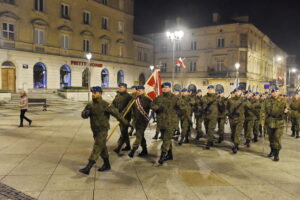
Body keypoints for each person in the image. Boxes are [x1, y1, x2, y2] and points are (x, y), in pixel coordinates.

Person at [79, 86, 130, 174]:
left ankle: (88, 167)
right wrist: (85, 114)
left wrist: (126, 123)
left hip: (103, 130)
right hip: (94, 129)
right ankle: (107, 164)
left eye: (95, 93)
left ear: (100, 93)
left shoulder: (105, 104)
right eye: (92, 93)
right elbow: (83, 114)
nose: (93, 94)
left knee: (97, 146)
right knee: (102, 147)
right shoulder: (90, 104)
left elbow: (117, 114)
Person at [151, 82, 185, 164]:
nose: (164, 88)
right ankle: (170, 154)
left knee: (166, 139)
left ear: (170, 88)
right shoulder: (159, 98)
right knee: (165, 139)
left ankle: (163, 155)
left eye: (166, 87)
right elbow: (152, 104)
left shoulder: (175, 98)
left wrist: (176, 115)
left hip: (171, 123)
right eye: (163, 87)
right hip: (161, 122)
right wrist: (156, 108)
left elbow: (183, 108)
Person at [261, 87, 289, 161]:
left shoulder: (283, 101)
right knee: (271, 138)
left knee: (277, 137)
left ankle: (277, 154)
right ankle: (272, 151)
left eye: (276, 91)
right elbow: (263, 111)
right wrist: (262, 121)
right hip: (270, 121)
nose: (275, 93)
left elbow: (288, 111)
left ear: (278, 92)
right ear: (271, 92)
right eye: (273, 91)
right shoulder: (267, 101)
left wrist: (286, 112)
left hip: (279, 122)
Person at [128, 86, 152, 158]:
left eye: (140, 90)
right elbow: (128, 108)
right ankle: (145, 150)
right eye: (137, 90)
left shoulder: (147, 99)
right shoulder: (134, 99)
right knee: (141, 135)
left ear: (143, 91)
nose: (138, 92)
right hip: (136, 120)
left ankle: (133, 150)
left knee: (138, 135)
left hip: (143, 121)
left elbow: (153, 106)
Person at [112, 83, 133, 154]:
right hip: (119, 116)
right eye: (119, 87)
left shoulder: (129, 96)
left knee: (123, 131)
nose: (120, 88)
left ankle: (118, 147)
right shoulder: (117, 96)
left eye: (121, 87)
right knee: (124, 132)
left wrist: (123, 113)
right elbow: (113, 104)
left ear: (125, 88)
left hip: (126, 117)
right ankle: (128, 146)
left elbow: (129, 107)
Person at [202, 85, 220, 149]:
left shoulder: (218, 97)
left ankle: (208, 143)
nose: (210, 90)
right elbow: (203, 104)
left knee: (210, 129)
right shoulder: (204, 97)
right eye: (209, 89)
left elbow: (221, 106)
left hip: (213, 116)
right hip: (206, 116)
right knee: (207, 130)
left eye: (212, 89)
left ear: (214, 90)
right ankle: (211, 141)